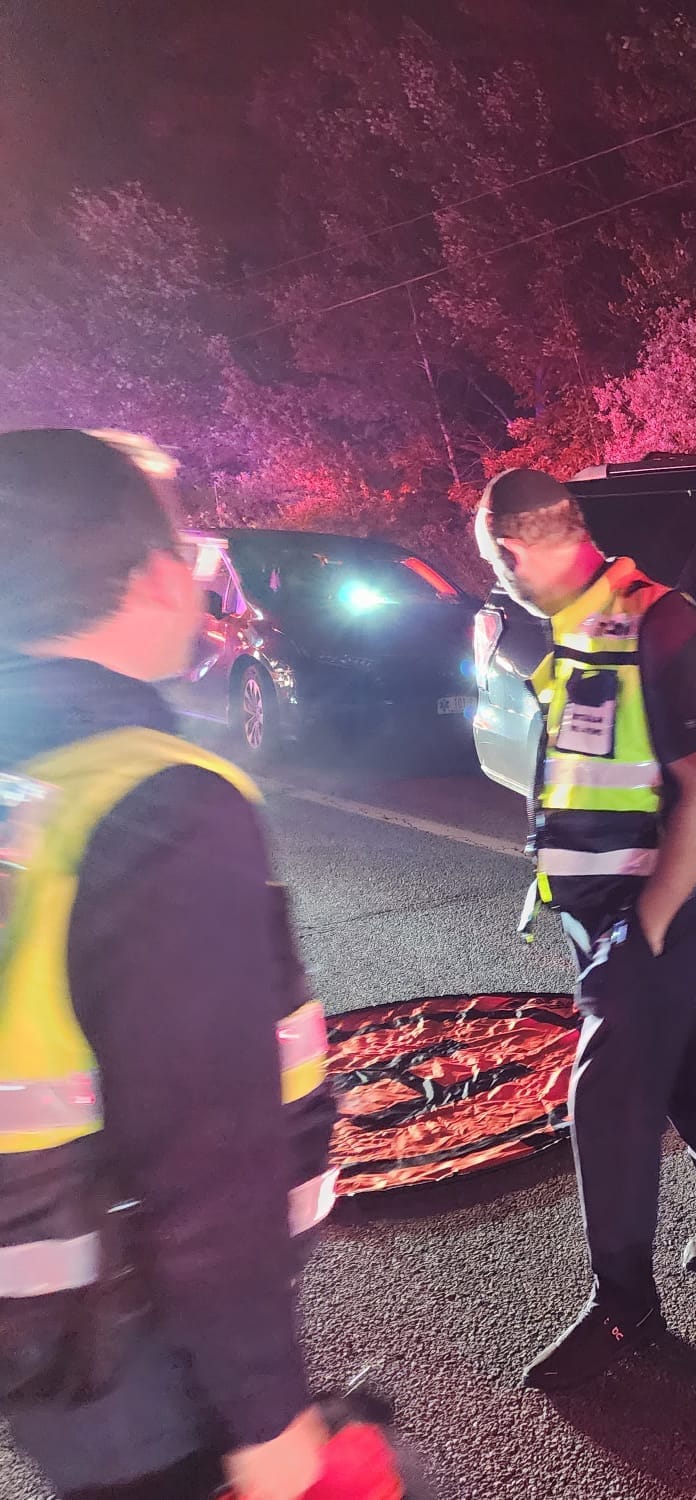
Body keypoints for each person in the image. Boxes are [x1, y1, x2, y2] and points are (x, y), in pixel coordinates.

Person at [0, 429, 337, 1500]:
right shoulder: (157, 802)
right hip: (133, 1345)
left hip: (40, 1323)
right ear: (152, 576)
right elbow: (208, 1149)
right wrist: (266, 1417)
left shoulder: (23, 773)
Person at [474, 467, 696, 1392]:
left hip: (660, 901)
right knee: (671, 1053)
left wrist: (644, 927)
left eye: (494, 566)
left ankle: (624, 1306)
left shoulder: (663, 622)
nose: (499, 582)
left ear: (513, 549)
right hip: (598, 904)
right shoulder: (572, 626)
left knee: (605, 1095)